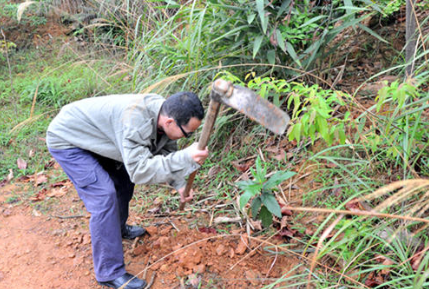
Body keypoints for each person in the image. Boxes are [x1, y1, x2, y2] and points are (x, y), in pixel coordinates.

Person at [46, 92, 209, 289]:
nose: (188, 138)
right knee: (104, 196)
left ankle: (117, 228)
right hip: (69, 140)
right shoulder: (135, 121)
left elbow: (166, 154)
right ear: (169, 122)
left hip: (101, 139)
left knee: (123, 182)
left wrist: (180, 185)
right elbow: (140, 171)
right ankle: (108, 272)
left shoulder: (164, 114)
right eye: (187, 134)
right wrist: (185, 157)